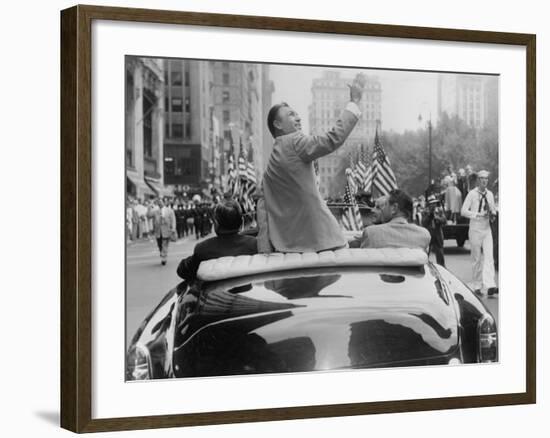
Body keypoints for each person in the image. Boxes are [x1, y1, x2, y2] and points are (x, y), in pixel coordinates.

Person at [257, 74, 365, 253]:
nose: (298, 118)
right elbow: (332, 139)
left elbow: (263, 211)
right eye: (291, 115)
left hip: (285, 247)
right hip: (321, 242)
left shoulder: (270, 169)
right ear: (278, 124)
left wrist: (265, 253)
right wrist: (354, 102)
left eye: (298, 115)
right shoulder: (295, 141)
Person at [177, 200, 258, 281]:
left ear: (216, 223)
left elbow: (183, 271)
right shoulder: (254, 244)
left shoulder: (203, 248)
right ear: (242, 222)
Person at [461, 170, 498, 296]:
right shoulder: (472, 194)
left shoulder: (490, 194)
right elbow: (463, 211)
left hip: (487, 229)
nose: (484, 181)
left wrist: (492, 213)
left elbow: (492, 209)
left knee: (489, 257)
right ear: (478, 181)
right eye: (482, 179)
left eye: (486, 179)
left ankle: (490, 285)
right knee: (476, 258)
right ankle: (477, 285)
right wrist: (477, 214)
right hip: (475, 229)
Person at [356, 189, 431, 250]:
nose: (383, 209)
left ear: (394, 208)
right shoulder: (424, 235)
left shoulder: (371, 233)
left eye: (385, 205)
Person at [150, 198, 176, 266]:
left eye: (161, 202)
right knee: (159, 245)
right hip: (158, 231)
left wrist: (173, 228)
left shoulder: (170, 211)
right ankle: (162, 254)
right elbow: (148, 215)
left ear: (164, 203)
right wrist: (149, 207)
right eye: (158, 202)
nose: (159, 203)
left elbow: (173, 220)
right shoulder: (155, 211)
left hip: (166, 230)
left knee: (165, 245)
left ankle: (164, 258)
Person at [422, 195, 447, 266]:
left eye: (434, 203)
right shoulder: (425, 212)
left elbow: (444, 221)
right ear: (429, 204)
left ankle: (442, 269)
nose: (433, 205)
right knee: (426, 253)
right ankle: (424, 269)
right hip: (428, 234)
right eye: (432, 203)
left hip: (438, 234)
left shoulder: (439, 210)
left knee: (440, 253)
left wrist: (438, 218)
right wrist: (429, 215)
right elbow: (423, 223)